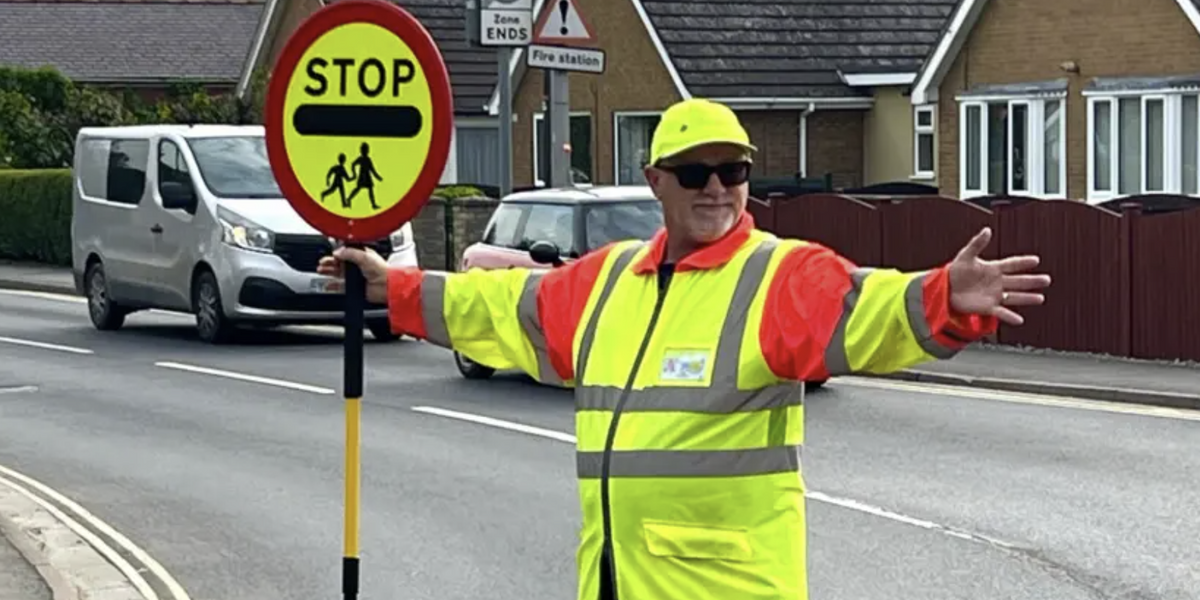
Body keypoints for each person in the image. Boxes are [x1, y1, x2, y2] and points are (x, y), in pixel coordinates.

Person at [317, 98, 1051, 600]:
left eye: (732, 172)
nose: (717, 189)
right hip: (618, 581)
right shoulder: (609, 280)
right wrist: (397, 289)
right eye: (697, 173)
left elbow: (864, 307)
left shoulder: (776, 273)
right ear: (656, 182)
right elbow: (508, 308)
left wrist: (940, 298)